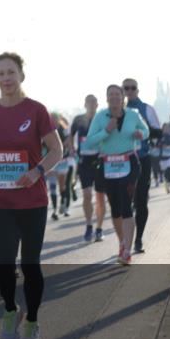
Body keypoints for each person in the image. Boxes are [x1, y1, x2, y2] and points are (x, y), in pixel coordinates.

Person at [0, 53, 63, 339]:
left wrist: (36, 172)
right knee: (3, 266)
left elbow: (56, 150)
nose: (6, 78)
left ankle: (32, 321)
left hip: (33, 200)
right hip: (0, 201)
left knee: (30, 265)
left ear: (21, 75)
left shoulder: (36, 110)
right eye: (0, 73)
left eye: (11, 72)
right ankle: (10, 310)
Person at [85, 85, 150, 266]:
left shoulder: (133, 114)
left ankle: (127, 250)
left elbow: (146, 131)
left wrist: (141, 134)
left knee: (126, 205)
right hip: (108, 165)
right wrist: (106, 131)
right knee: (115, 208)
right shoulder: (100, 117)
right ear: (107, 98)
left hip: (129, 162)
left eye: (117, 94)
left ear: (123, 97)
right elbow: (90, 141)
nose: (114, 97)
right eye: (110, 94)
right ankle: (122, 242)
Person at [123, 78, 161, 254]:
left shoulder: (147, 109)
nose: (129, 91)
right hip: (120, 161)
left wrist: (142, 132)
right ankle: (125, 240)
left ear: (137, 91)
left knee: (140, 201)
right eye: (126, 88)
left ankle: (138, 239)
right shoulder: (115, 111)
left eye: (133, 88)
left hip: (142, 159)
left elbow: (158, 133)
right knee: (122, 202)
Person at [70, 95, 105, 242]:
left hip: (99, 161)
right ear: (85, 104)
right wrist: (72, 151)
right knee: (87, 194)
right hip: (84, 162)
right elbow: (70, 136)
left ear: (97, 105)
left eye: (93, 102)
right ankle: (89, 225)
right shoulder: (78, 119)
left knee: (100, 197)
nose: (91, 104)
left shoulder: (102, 118)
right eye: (88, 102)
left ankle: (99, 228)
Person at [157, 123, 170, 194]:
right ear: (162, 129)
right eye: (165, 128)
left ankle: (168, 185)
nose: (166, 129)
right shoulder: (159, 136)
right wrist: (162, 145)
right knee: (165, 173)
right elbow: (156, 144)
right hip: (162, 157)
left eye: (167, 128)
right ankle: (166, 183)